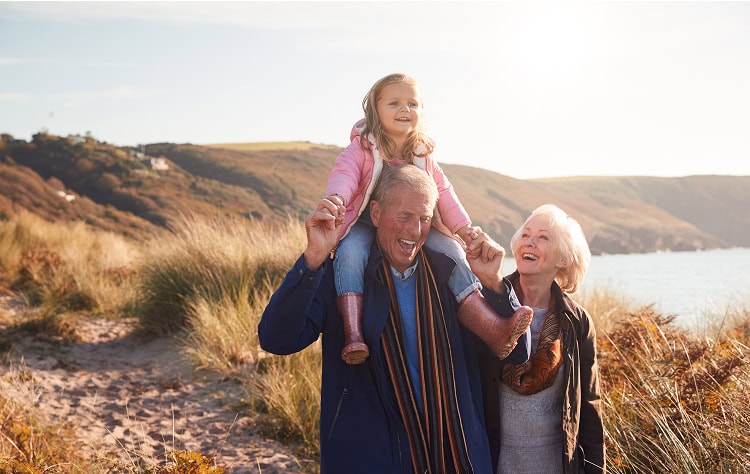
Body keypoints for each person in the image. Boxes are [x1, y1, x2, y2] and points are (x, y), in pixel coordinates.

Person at [258, 164, 533, 473]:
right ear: (375, 214)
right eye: (404, 217)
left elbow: (517, 355)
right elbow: (276, 339)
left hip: (460, 459)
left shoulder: (454, 278)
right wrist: (312, 259)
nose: (415, 231)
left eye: (424, 219)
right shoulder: (343, 279)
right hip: (372, 460)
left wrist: (495, 285)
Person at [324, 72, 517, 365]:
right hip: (364, 221)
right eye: (394, 103)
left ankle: (492, 328)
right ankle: (353, 334)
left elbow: (444, 193)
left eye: (412, 104)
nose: (405, 110)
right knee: (350, 253)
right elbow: (345, 174)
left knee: (452, 251)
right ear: (375, 109)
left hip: (413, 222)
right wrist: (336, 199)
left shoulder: (423, 154)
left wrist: (464, 230)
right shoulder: (363, 147)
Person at [475, 204, 606, 474]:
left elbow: (590, 409)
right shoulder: (486, 305)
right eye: (525, 235)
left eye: (543, 237)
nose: (529, 242)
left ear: (562, 258)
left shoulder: (577, 322)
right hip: (492, 464)